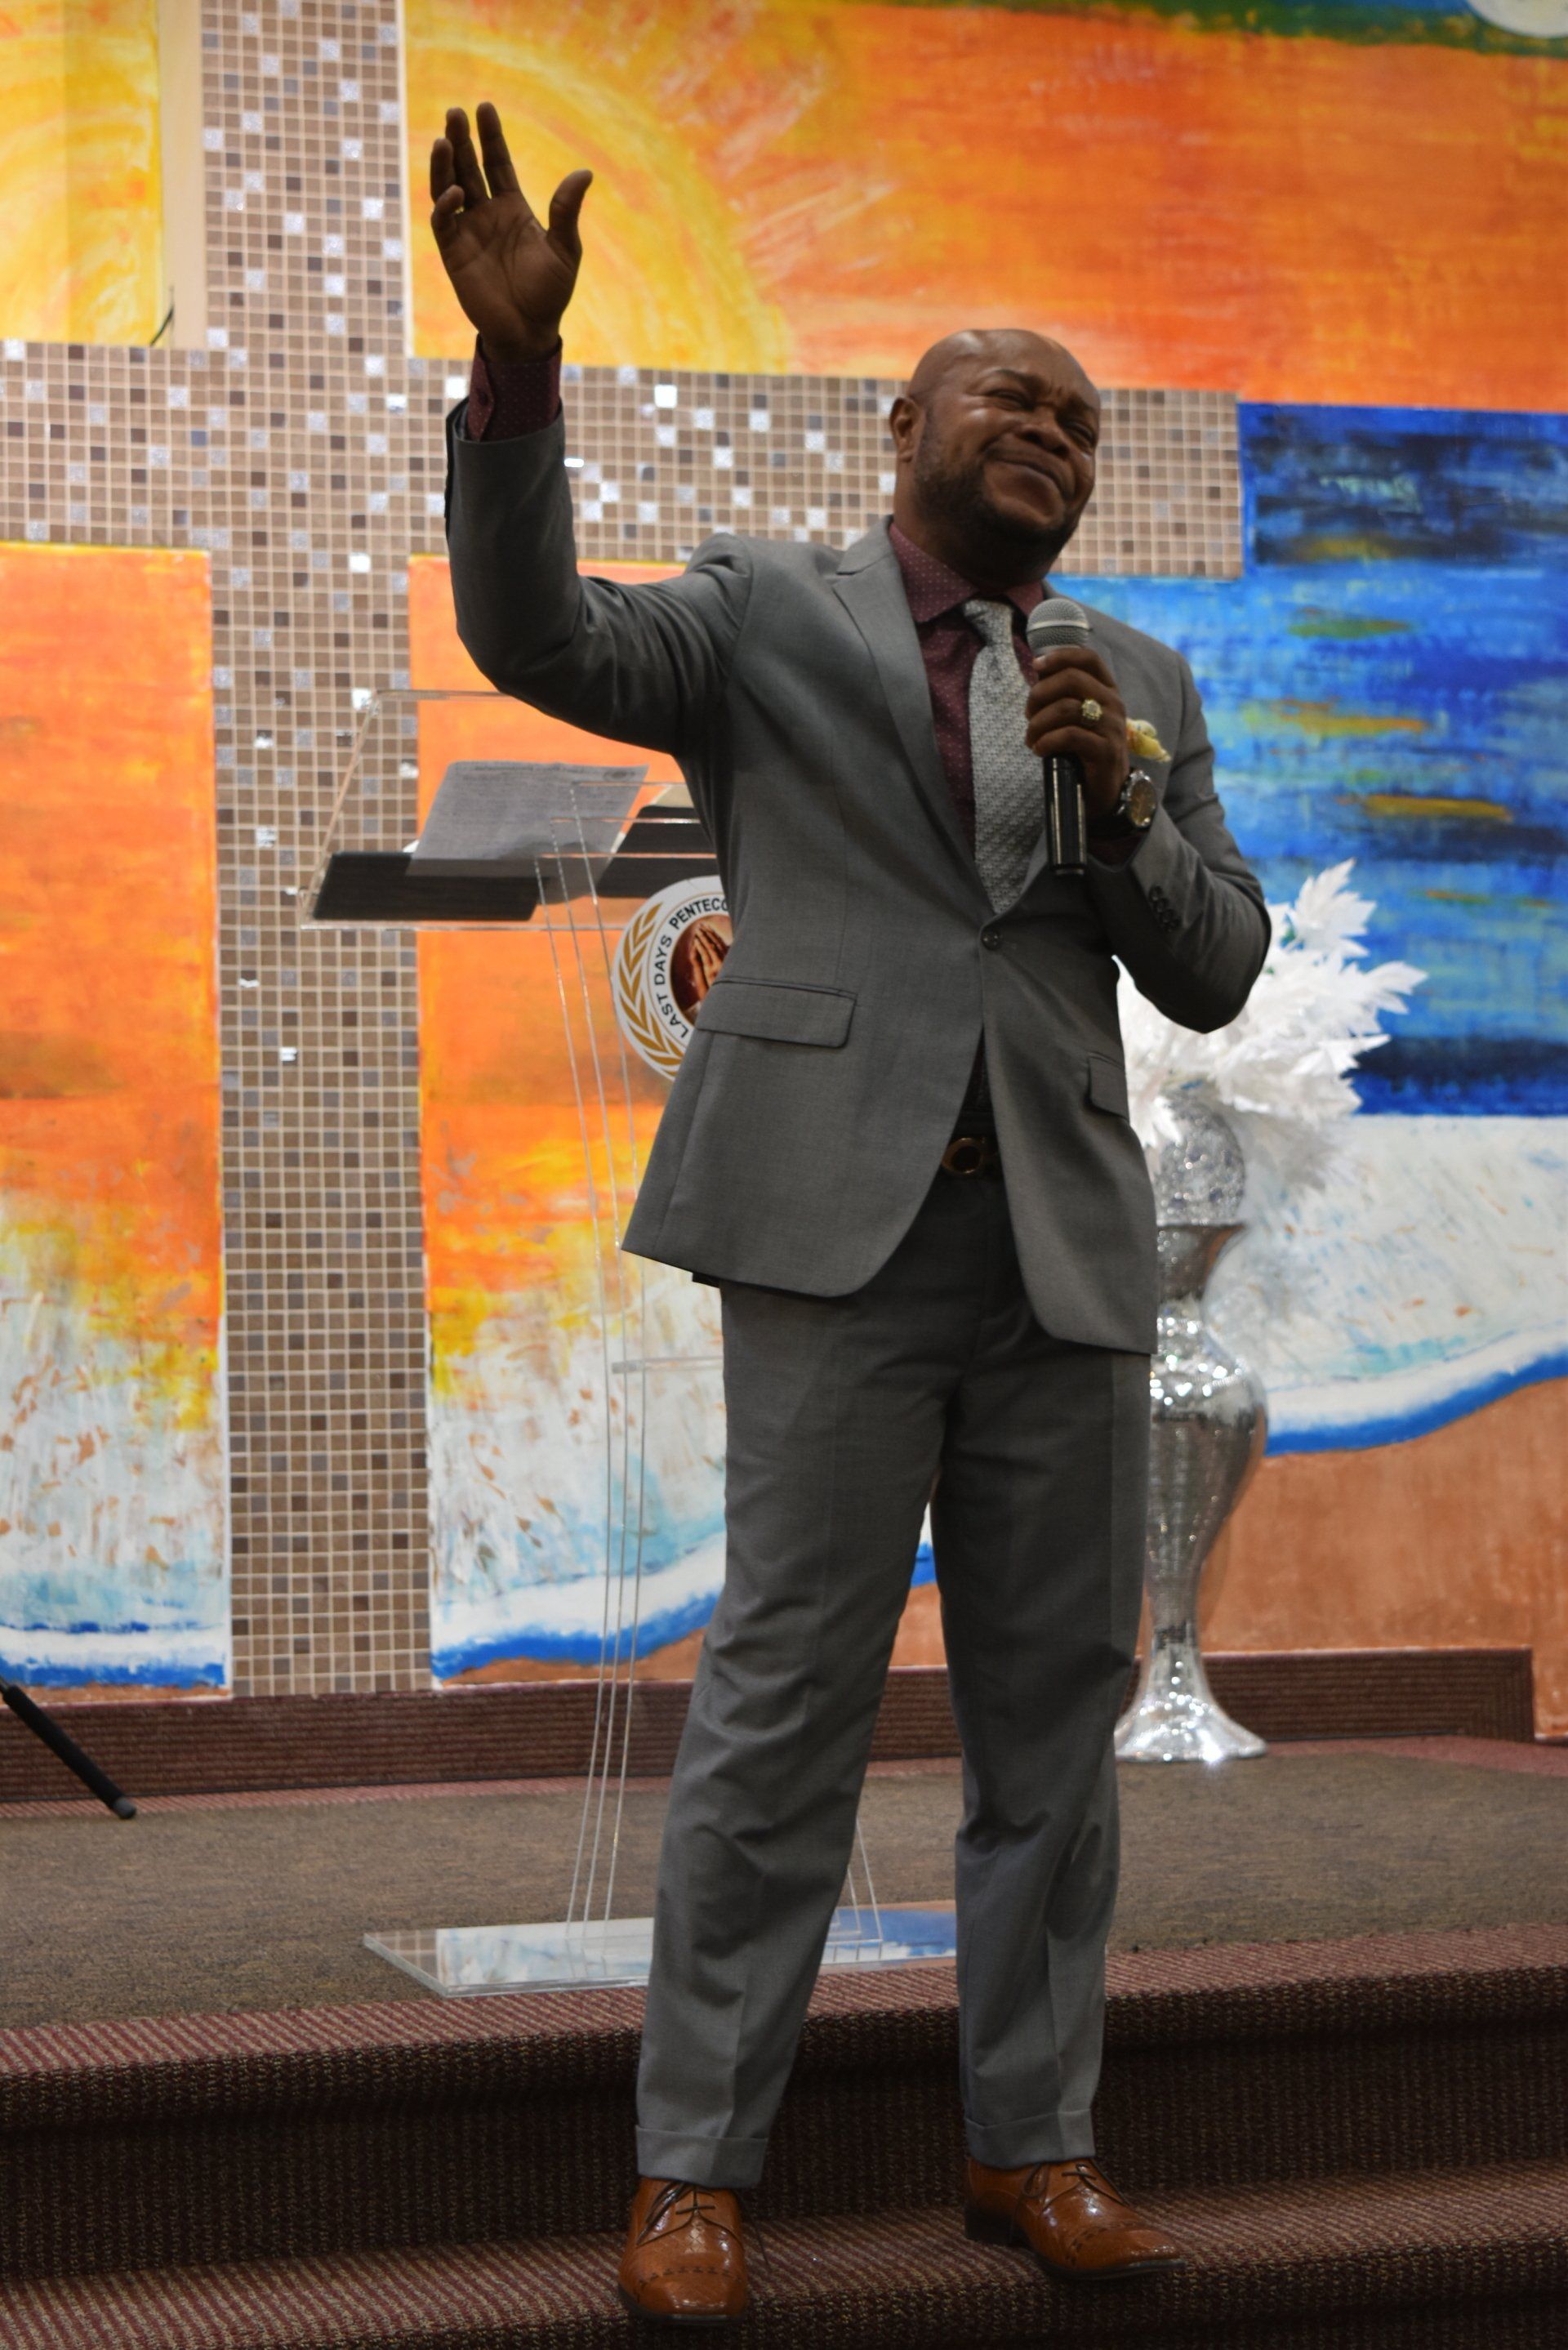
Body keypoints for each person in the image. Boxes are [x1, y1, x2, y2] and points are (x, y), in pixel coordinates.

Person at [433, 100, 1269, 2326]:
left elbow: (1214, 964)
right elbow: (542, 641)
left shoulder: (1141, 687)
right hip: (835, 1234)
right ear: (905, 427)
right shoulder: (763, 613)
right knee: (787, 1701)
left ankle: (1034, 2141)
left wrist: (1114, 805)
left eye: (1081, 422)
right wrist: (517, 376)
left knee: (1050, 1724)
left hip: (1061, 1251)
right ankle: (697, 2168)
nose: (1053, 433)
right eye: (1012, 398)